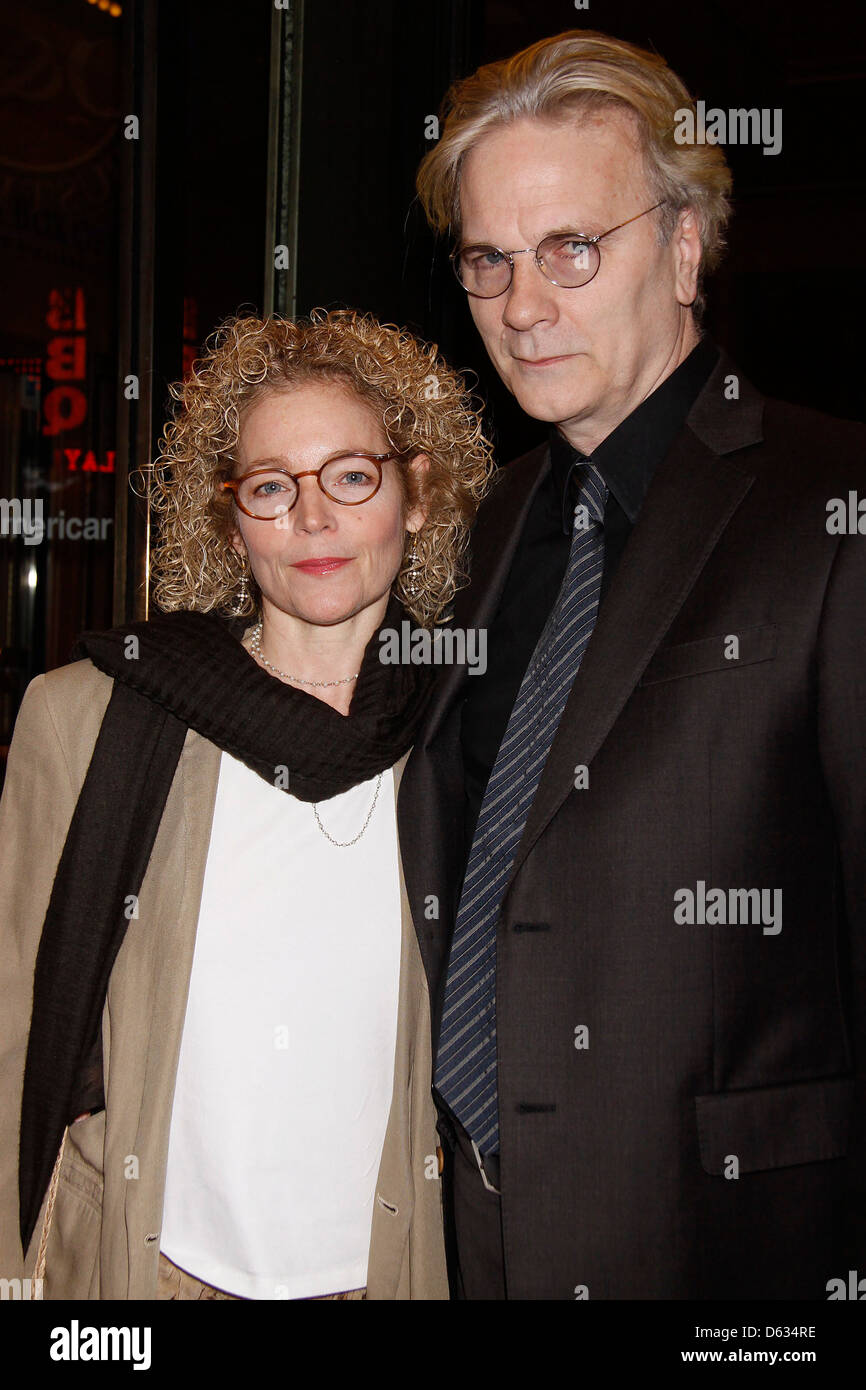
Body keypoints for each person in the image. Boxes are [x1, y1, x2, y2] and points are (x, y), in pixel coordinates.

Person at [403, 29, 866, 1298]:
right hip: (469, 1236)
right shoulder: (482, 526)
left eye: (569, 248)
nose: (522, 304)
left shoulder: (832, 501)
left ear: (681, 245)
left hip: (728, 1248)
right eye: (488, 261)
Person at [0, 308, 493, 1300]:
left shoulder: (476, 737)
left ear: (419, 493)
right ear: (230, 519)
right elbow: (12, 1024)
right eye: (272, 487)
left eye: (350, 476)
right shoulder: (89, 717)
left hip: (388, 1274)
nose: (312, 519)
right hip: (148, 1273)